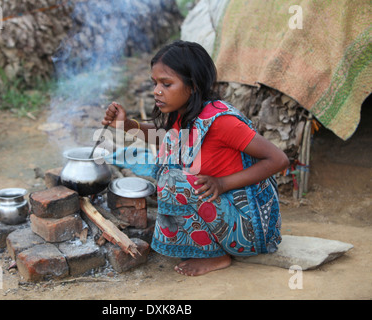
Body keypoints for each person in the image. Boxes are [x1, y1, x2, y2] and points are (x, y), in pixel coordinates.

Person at [101, 40, 290, 276]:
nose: (156, 90)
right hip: (223, 215)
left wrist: (223, 183)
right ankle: (207, 245)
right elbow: (169, 140)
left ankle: (217, 255)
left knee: (173, 179)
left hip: (250, 230)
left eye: (166, 84)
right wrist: (127, 125)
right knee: (169, 167)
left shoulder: (222, 122)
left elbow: (278, 159)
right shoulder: (186, 114)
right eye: (155, 83)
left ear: (193, 86)